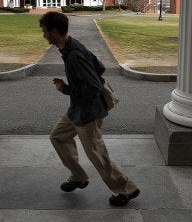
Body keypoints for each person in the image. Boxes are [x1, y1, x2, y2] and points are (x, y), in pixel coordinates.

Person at [39, 11, 140, 207]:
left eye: (44, 32)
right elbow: (99, 67)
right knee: (58, 136)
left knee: (97, 154)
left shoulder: (74, 54)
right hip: (77, 108)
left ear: (54, 32)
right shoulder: (69, 46)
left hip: (88, 113)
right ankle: (78, 176)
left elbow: (93, 86)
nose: (43, 35)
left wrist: (66, 88)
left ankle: (127, 188)